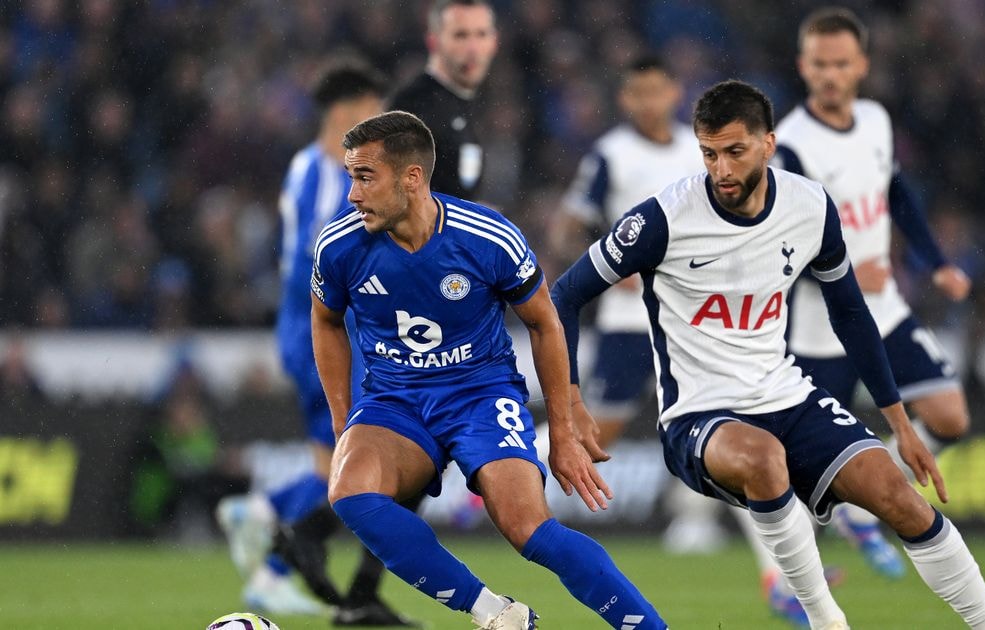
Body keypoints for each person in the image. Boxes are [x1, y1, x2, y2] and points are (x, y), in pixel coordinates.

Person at [553, 80, 985, 630]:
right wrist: (571, 400)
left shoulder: (810, 206)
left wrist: (900, 425)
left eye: (734, 151)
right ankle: (825, 620)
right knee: (763, 458)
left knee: (898, 495)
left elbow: (852, 316)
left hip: (787, 394)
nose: (720, 168)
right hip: (699, 414)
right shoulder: (662, 219)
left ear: (768, 144)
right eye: (708, 153)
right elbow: (563, 296)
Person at [313, 110, 668, 630]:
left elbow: (546, 323)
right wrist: (345, 422)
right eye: (351, 177)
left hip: (480, 394)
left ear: (412, 178)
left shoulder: (486, 237)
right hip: (396, 400)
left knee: (528, 528)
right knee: (348, 490)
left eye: (365, 177)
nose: (352, 194)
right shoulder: (340, 246)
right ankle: (495, 614)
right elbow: (325, 322)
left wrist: (564, 429)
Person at [215, 57, 420, 626]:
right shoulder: (319, 170)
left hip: (322, 328)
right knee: (368, 459)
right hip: (317, 331)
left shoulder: (324, 169)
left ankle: (274, 565)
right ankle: (269, 517)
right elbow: (318, 251)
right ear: (351, 111)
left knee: (342, 465)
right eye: (375, 109)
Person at [774, 6, 974, 583]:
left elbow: (897, 193)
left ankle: (864, 507)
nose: (830, 75)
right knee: (796, 471)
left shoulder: (877, 121)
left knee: (950, 416)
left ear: (861, 65)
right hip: (820, 326)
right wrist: (840, 274)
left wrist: (935, 262)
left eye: (841, 64)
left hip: (884, 310)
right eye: (820, 64)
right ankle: (799, 578)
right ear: (802, 66)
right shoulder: (789, 148)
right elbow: (778, 247)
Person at [548, 55, 730, 553]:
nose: (648, 102)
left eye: (657, 91)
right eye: (637, 93)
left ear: (676, 94)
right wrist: (608, 260)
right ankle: (509, 482)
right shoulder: (612, 153)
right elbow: (570, 222)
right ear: (625, 99)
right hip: (629, 317)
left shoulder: (701, 154)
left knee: (709, 413)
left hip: (695, 314)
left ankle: (694, 521)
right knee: (599, 426)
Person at [387, 0, 497, 200]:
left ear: (494, 42)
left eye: (481, 34)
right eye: (460, 35)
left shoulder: (468, 102)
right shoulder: (413, 107)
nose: (473, 49)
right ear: (433, 41)